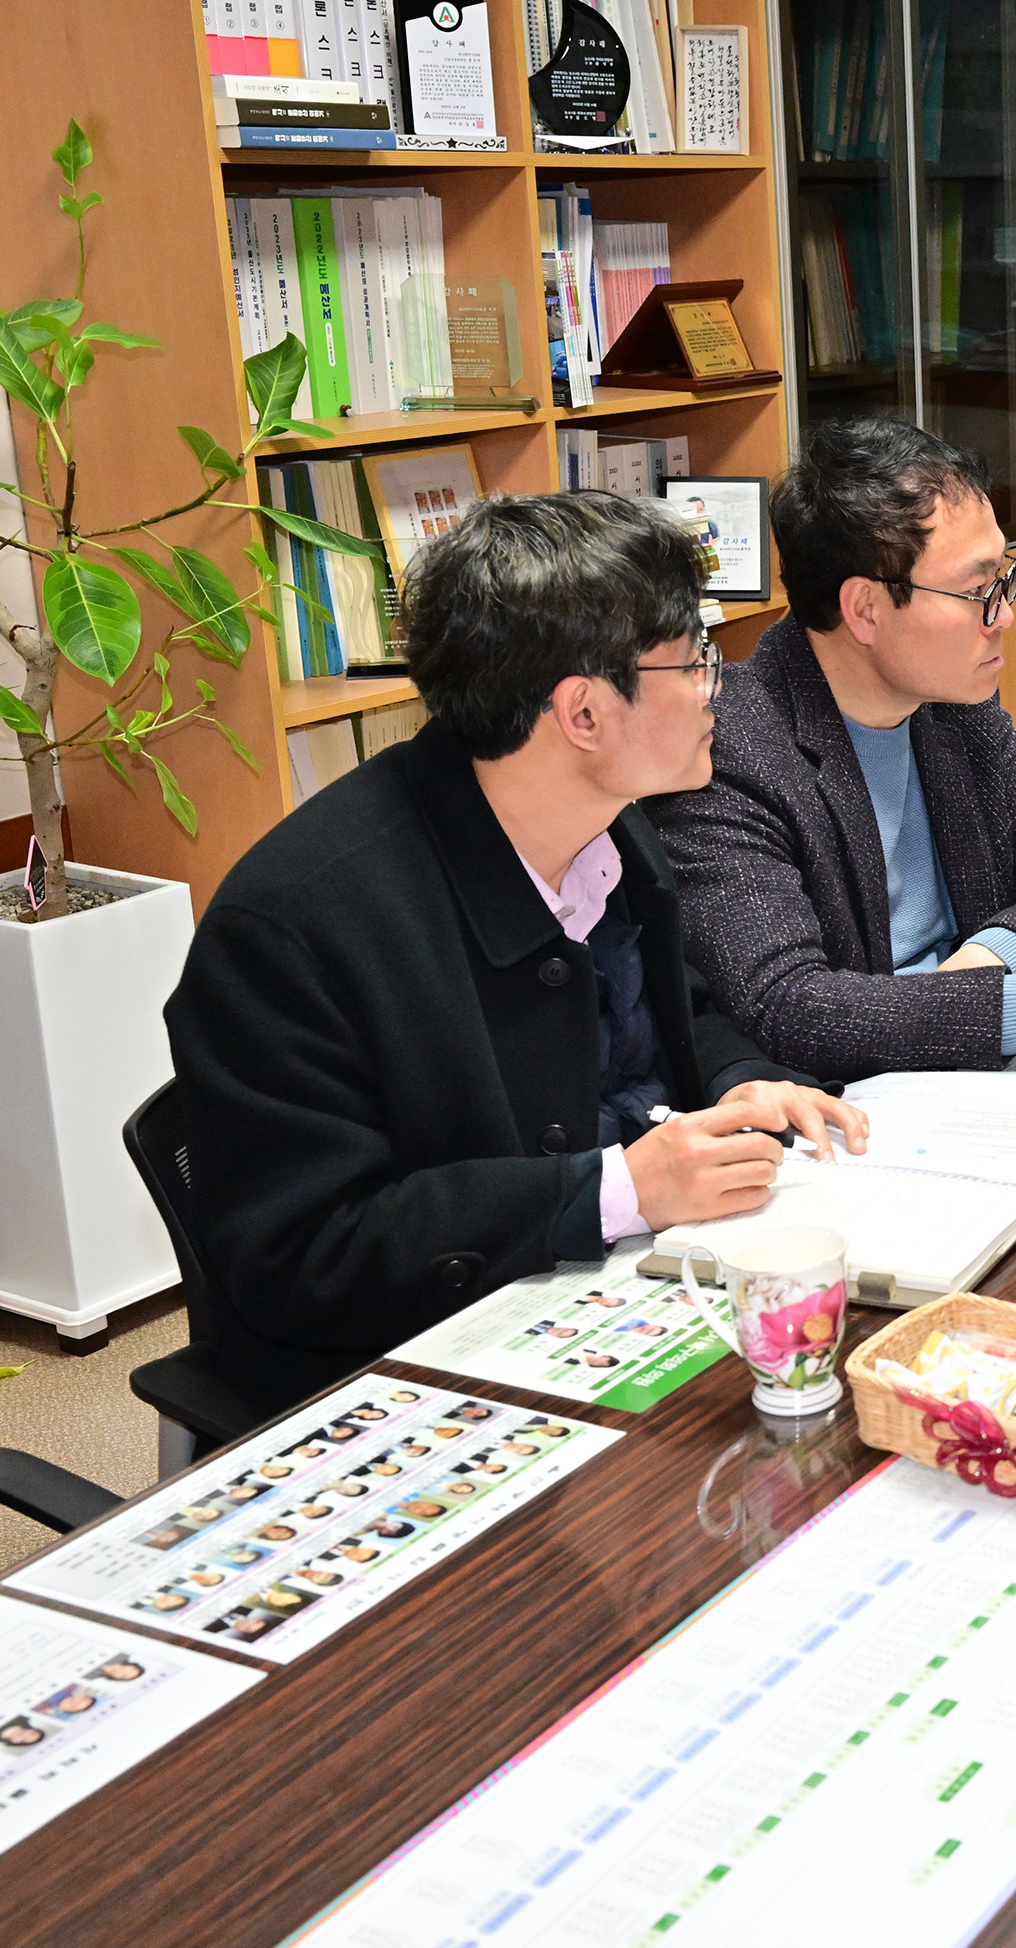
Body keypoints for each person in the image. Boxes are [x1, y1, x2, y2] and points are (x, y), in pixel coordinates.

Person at [167, 493, 866, 1418]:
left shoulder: (607, 829)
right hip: (415, 1380)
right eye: (694, 657)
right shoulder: (294, 927)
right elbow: (307, 1254)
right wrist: (618, 1189)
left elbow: (677, 1011)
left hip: (623, 1301)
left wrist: (742, 1082)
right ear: (582, 713)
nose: (716, 683)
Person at [653, 415, 1016, 1079]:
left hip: (969, 1079)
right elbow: (792, 1012)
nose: (1004, 615)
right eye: (975, 590)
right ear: (866, 610)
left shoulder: (950, 708)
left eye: (1003, 578)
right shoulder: (727, 747)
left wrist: (984, 970)